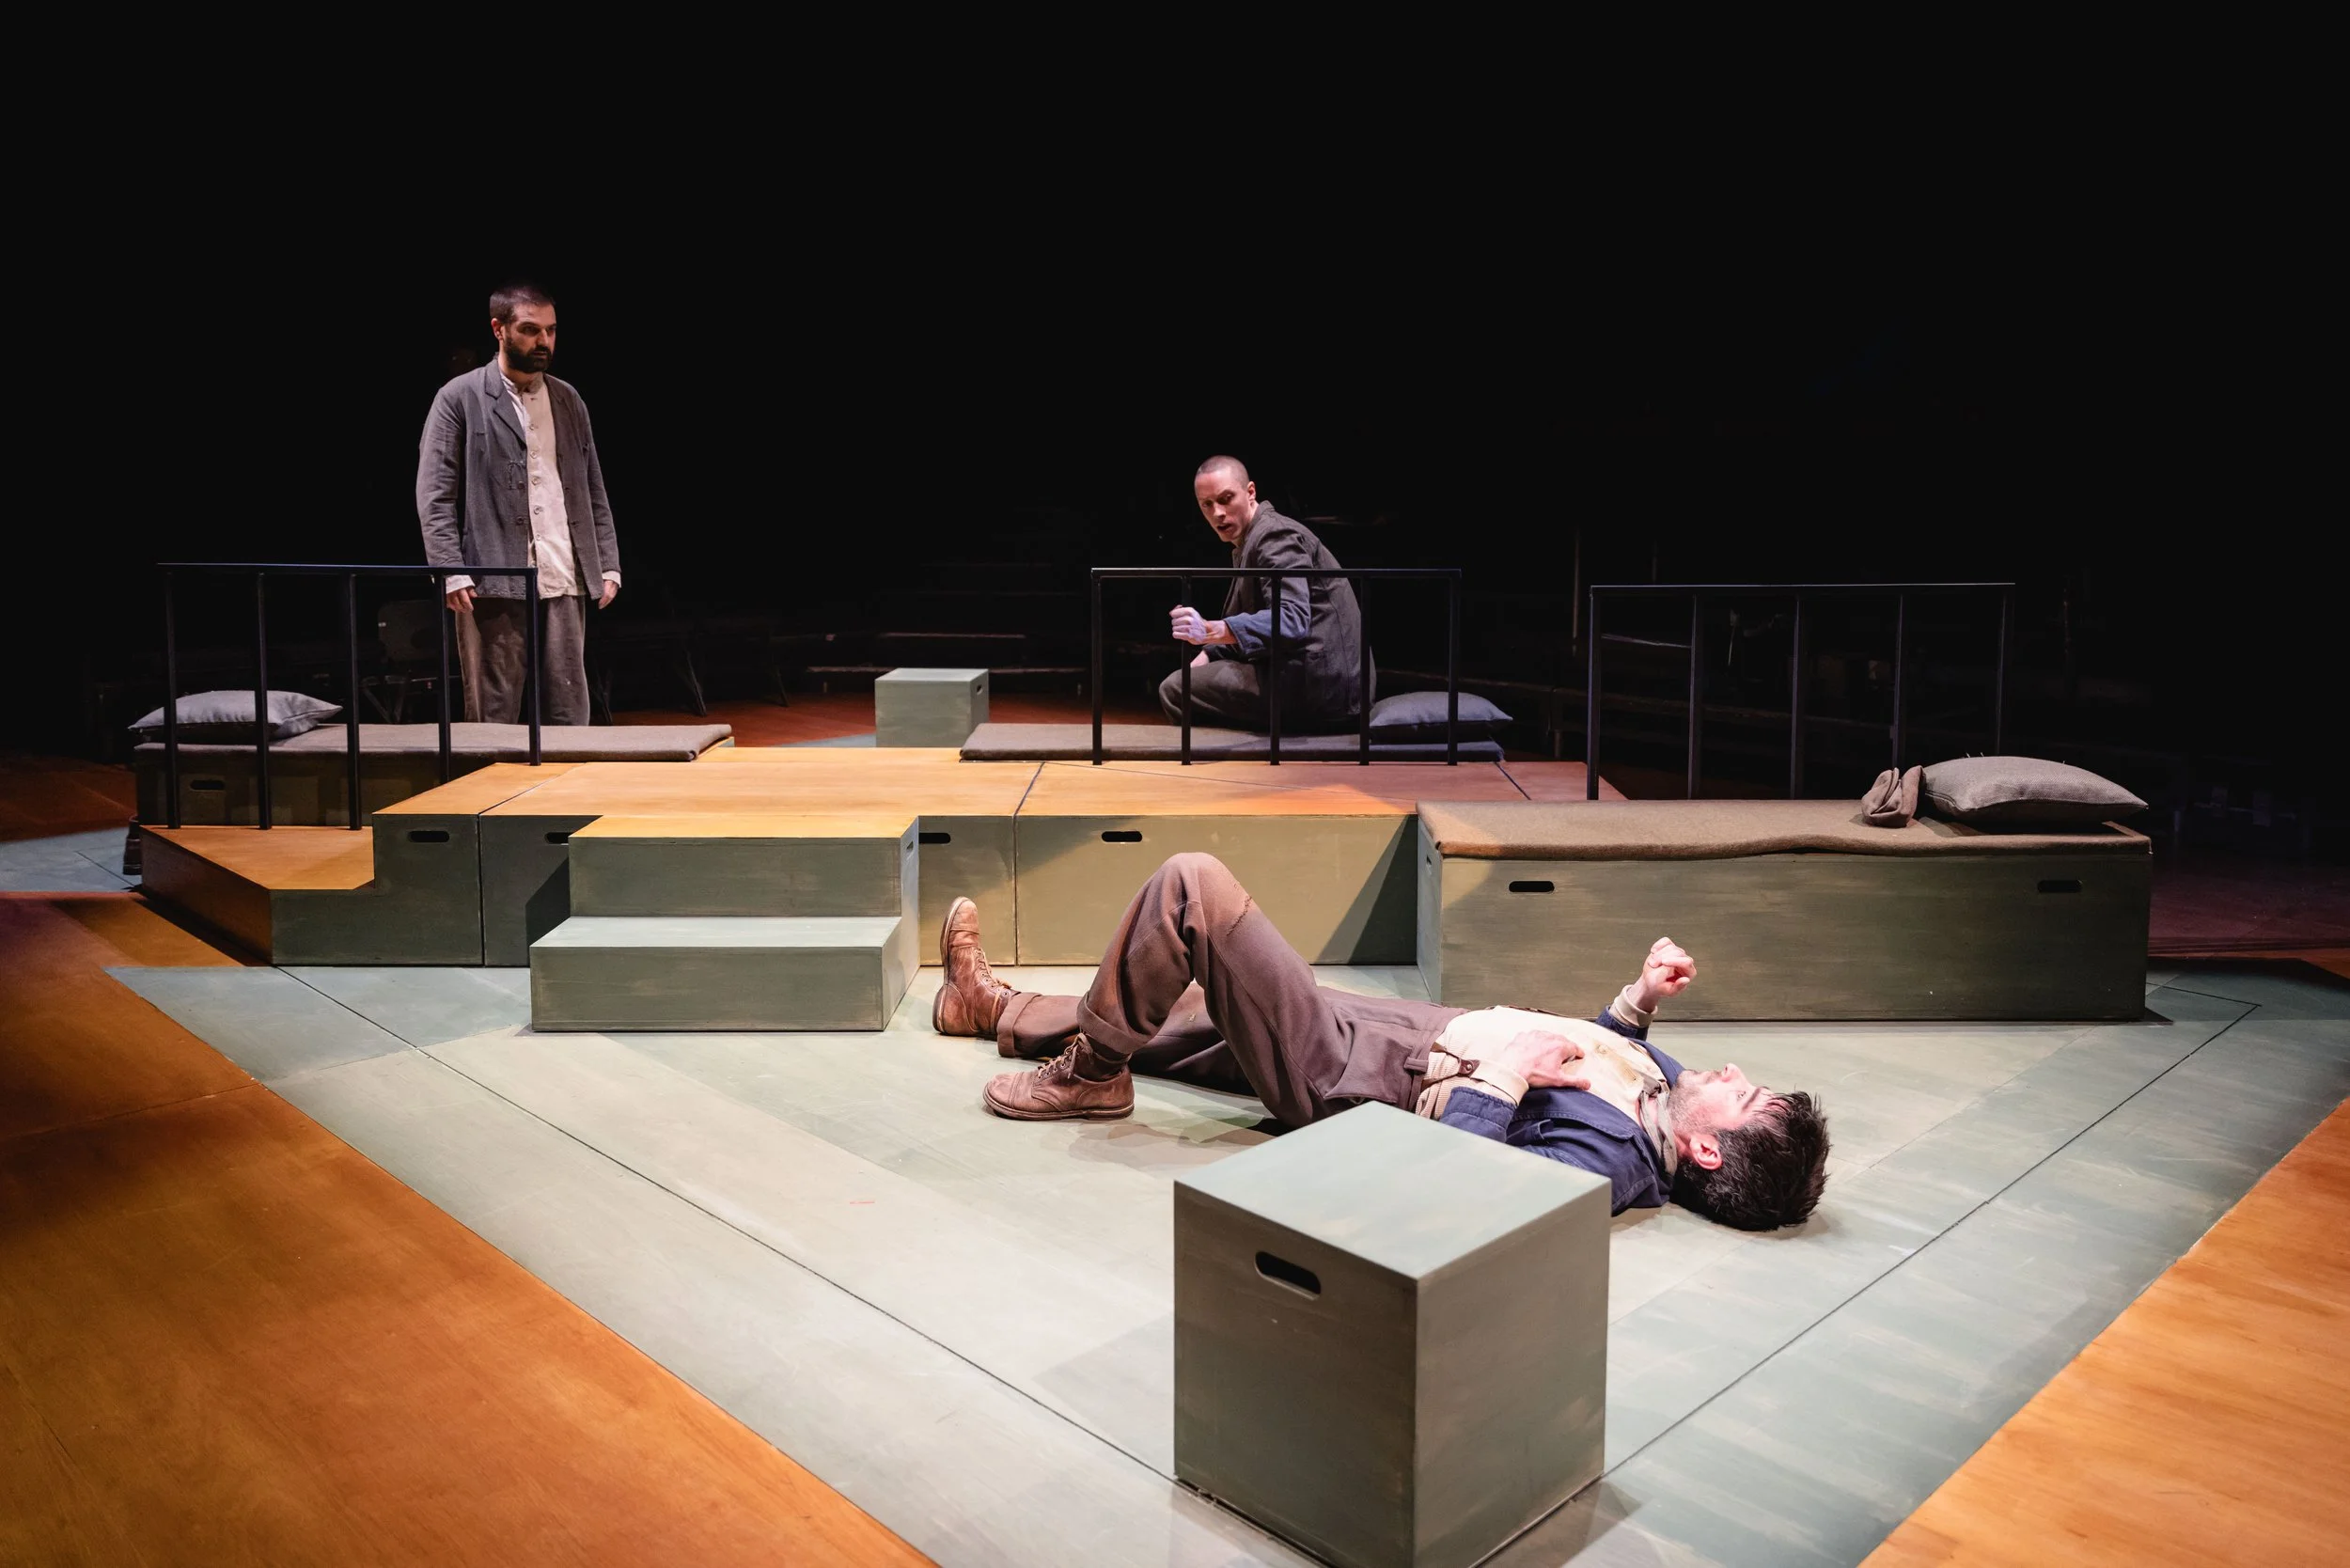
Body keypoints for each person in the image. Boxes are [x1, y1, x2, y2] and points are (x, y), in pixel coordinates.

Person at [933, 853, 1829, 1231]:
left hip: (1355, 1077)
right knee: (1199, 1016)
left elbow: (1473, 1193)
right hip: (1401, 1033)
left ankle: (1091, 1073)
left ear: (1707, 1151)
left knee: (1194, 892)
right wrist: (1635, 1003)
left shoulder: (1621, 1166)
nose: (1737, 1070)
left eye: (1745, 1094)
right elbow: (1595, 1058)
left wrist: (1506, 1076)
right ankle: (993, 1009)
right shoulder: (1664, 1091)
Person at [416, 283, 620, 726]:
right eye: (530, 330)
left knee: (568, 707)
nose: (543, 341)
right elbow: (435, 495)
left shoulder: (568, 399)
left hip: (563, 570)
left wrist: (607, 562)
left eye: (550, 330)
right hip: (493, 577)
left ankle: (567, 793)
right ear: (499, 329)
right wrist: (450, 568)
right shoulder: (460, 397)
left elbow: (592, 488)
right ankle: (491, 793)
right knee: (494, 709)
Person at [1161, 456, 1371, 733]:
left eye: (1226, 499)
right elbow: (1256, 621)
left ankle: (1244, 751)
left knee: (1176, 689)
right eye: (1207, 505)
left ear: (1250, 493)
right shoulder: (1253, 538)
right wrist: (1209, 653)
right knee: (1188, 677)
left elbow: (1291, 620)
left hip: (1324, 687)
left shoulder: (1275, 536)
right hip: (1322, 680)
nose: (1218, 513)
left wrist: (1212, 630)